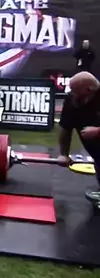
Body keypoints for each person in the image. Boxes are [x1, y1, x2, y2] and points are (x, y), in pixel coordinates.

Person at [57, 71, 100, 203]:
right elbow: (65, 127)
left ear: (89, 90)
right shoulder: (71, 100)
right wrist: (64, 154)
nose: (73, 94)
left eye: (76, 90)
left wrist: (98, 131)